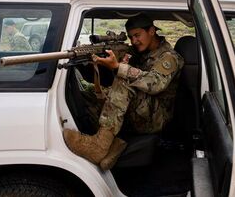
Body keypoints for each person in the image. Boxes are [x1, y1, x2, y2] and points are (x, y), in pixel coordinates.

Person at [63, 13, 184, 170]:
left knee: (124, 81)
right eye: (130, 37)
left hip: (156, 117)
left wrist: (118, 67)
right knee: (90, 94)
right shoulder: (140, 53)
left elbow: (155, 84)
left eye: (137, 35)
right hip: (141, 111)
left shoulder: (170, 57)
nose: (134, 41)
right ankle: (113, 144)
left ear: (152, 31)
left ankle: (99, 146)